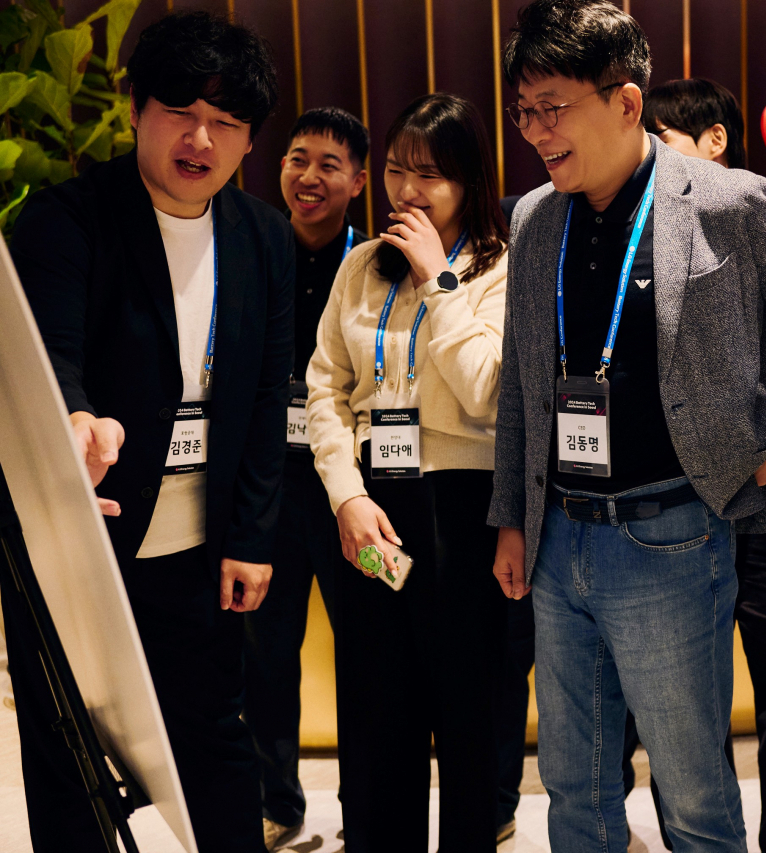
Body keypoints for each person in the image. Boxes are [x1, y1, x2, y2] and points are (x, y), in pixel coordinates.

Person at [491, 3, 766, 851]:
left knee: (695, 796)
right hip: (557, 541)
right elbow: (523, 384)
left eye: (553, 108)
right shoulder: (533, 218)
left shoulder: (727, 201)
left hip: (670, 536)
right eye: (524, 112)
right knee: (573, 790)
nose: (536, 132)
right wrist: (513, 516)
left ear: (626, 103)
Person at [2, 11, 291, 851]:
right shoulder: (69, 218)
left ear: (247, 142)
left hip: (198, 553)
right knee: (68, 751)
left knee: (212, 737)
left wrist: (252, 536)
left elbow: (269, 394)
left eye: (227, 122)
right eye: (180, 109)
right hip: (83, 534)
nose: (200, 137)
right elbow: (47, 358)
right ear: (137, 109)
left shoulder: (261, 237)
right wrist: (76, 423)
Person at [638, 76, 766, 853]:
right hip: (680, 493)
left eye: (663, 138)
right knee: (681, 704)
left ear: (714, 140)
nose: (648, 158)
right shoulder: (642, 239)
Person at [306, 92, 509, 852]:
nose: (407, 191)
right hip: (370, 506)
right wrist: (346, 495)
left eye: (429, 175)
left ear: (468, 180)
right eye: (395, 171)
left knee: (467, 717)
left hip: (463, 506)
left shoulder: (497, 267)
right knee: (375, 715)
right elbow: (325, 387)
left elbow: (486, 389)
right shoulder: (360, 265)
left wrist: (437, 279)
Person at [243, 106, 369, 851]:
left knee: (365, 652)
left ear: (358, 179)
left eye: (329, 162)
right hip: (267, 486)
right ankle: (276, 803)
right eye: (298, 158)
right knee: (264, 656)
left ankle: (369, 801)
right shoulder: (254, 251)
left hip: (350, 489)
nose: (310, 175)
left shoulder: (376, 261)